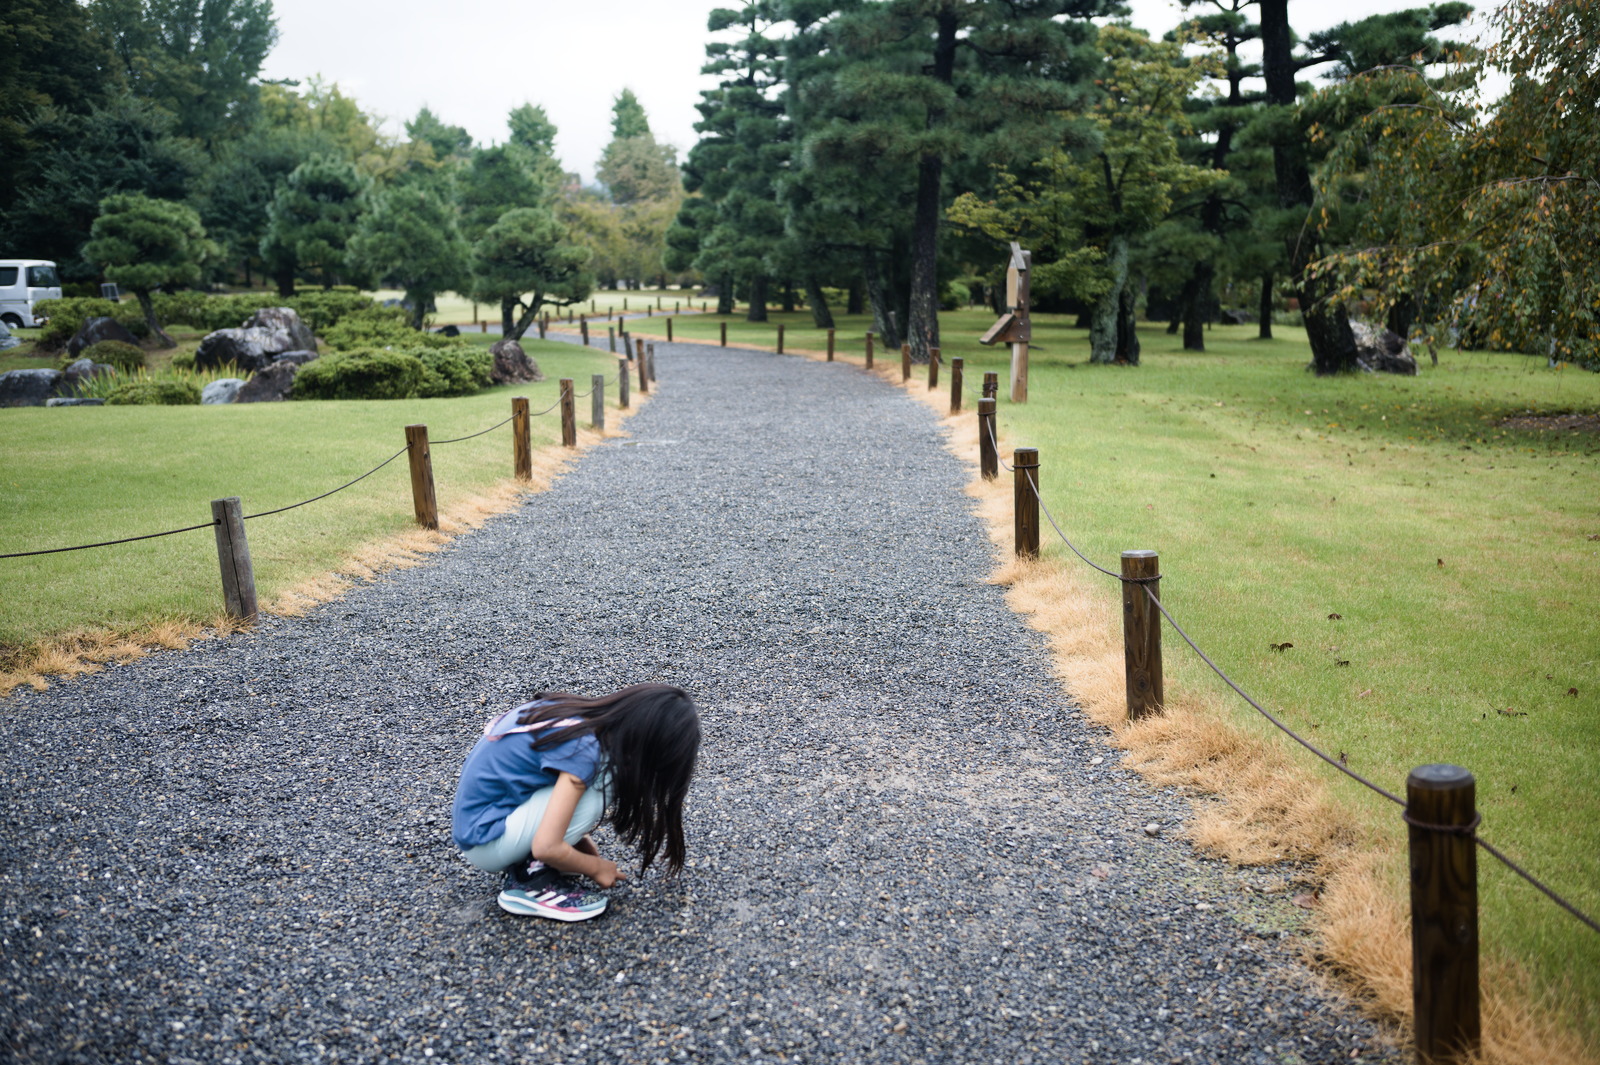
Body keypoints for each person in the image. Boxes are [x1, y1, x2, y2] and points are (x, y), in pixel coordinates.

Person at [452, 684, 700, 921]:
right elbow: (546, 847)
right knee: (604, 781)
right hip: (487, 842)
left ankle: (534, 867)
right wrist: (595, 867)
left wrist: (577, 848)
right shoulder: (587, 751)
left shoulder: (577, 719)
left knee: (598, 776)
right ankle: (531, 883)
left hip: (483, 825)